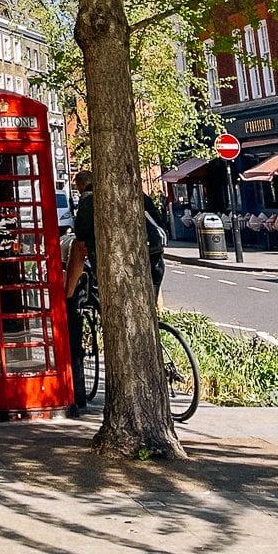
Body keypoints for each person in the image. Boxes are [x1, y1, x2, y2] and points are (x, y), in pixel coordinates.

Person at [63, 169, 168, 416]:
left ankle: (132, 381)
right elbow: (159, 224)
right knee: (145, 318)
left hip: (120, 267)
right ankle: (155, 368)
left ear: (81, 187)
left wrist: (68, 293)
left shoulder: (89, 201)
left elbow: (80, 243)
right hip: (154, 260)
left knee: (119, 323)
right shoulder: (135, 192)